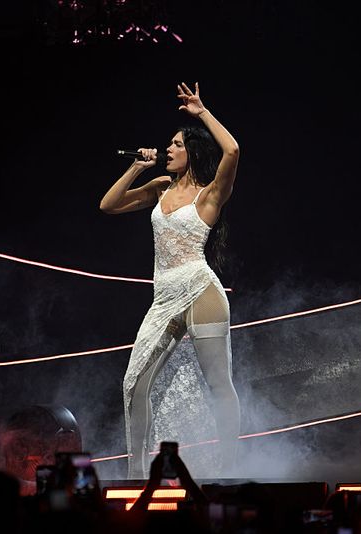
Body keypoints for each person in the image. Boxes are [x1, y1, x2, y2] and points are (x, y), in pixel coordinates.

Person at [100, 82, 241, 478]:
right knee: (134, 384)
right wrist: (137, 167)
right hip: (163, 296)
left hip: (200, 290)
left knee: (218, 384)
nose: (168, 150)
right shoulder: (161, 187)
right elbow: (109, 205)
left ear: (192, 151)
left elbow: (232, 150)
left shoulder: (210, 194)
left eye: (175, 144)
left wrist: (201, 113)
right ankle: (136, 475)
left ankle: (229, 470)